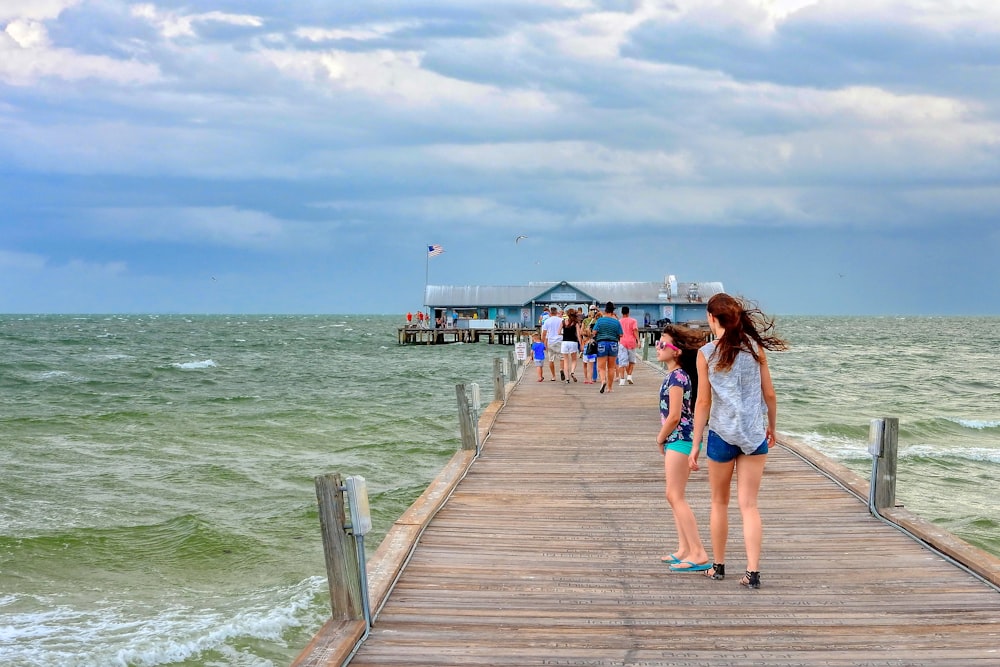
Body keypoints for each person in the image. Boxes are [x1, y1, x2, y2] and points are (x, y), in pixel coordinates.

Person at [689, 293, 788, 589]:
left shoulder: (706, 353)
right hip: (754, 433)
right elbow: (769, 394)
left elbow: (703, 403)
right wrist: (772, 427)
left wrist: (695, 444)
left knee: (719, 502)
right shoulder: (755, 349)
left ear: (711, 318)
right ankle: (752, 572)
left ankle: (718, 567)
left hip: (721, 433)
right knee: (750, 506)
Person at [655, 326, 710, 572]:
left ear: (676, 352)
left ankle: (698, 552)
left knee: (675, 496)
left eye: (662, 344)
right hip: (677, 440)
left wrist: (660, 438)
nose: (658, 347)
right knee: (673, 495)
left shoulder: (678, 377)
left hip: (679, 439)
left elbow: (675, 415)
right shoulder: (675, 375)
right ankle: (684, 548)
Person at [591, 301, 623, 394]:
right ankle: (609, 387)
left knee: (601, 367)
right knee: (611, 367)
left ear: (605, 310)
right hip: (613, 344)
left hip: (602, 343)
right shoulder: (616, 322)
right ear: (613, 311)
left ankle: (603, 381)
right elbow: (621, 334)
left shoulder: (600, 320)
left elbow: (594, 332)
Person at [540, 306, 563, 381]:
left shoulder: (547, 321)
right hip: (560, 340)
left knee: (551, 359)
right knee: (562, 358)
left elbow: (544, 333)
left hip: (551, 342)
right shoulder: (561, 320)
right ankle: (561, 369)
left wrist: (542, 343)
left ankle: (553, 376)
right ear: (556, 312)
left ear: (550, 313)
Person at [618, 305, 640, 385]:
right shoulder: (633, 321)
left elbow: (618, 333)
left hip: (622, 342)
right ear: (628, 312)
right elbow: (635, 331)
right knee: (632, 361)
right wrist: (638, 341)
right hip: (631, 342)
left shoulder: (619, 321)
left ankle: (622, 380)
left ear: (622, 313)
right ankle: (629, 376)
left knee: (621, 362)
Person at [560, 308, 581, 383]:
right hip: (573, 342)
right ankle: (572, 372)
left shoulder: (563, 322)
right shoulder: (576, 323)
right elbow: (578, 335)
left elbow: (558, 332)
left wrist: (564, 334)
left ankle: (567, 379)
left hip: (565, 342)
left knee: (566, 361)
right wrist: (581, 344)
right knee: (574, 360)